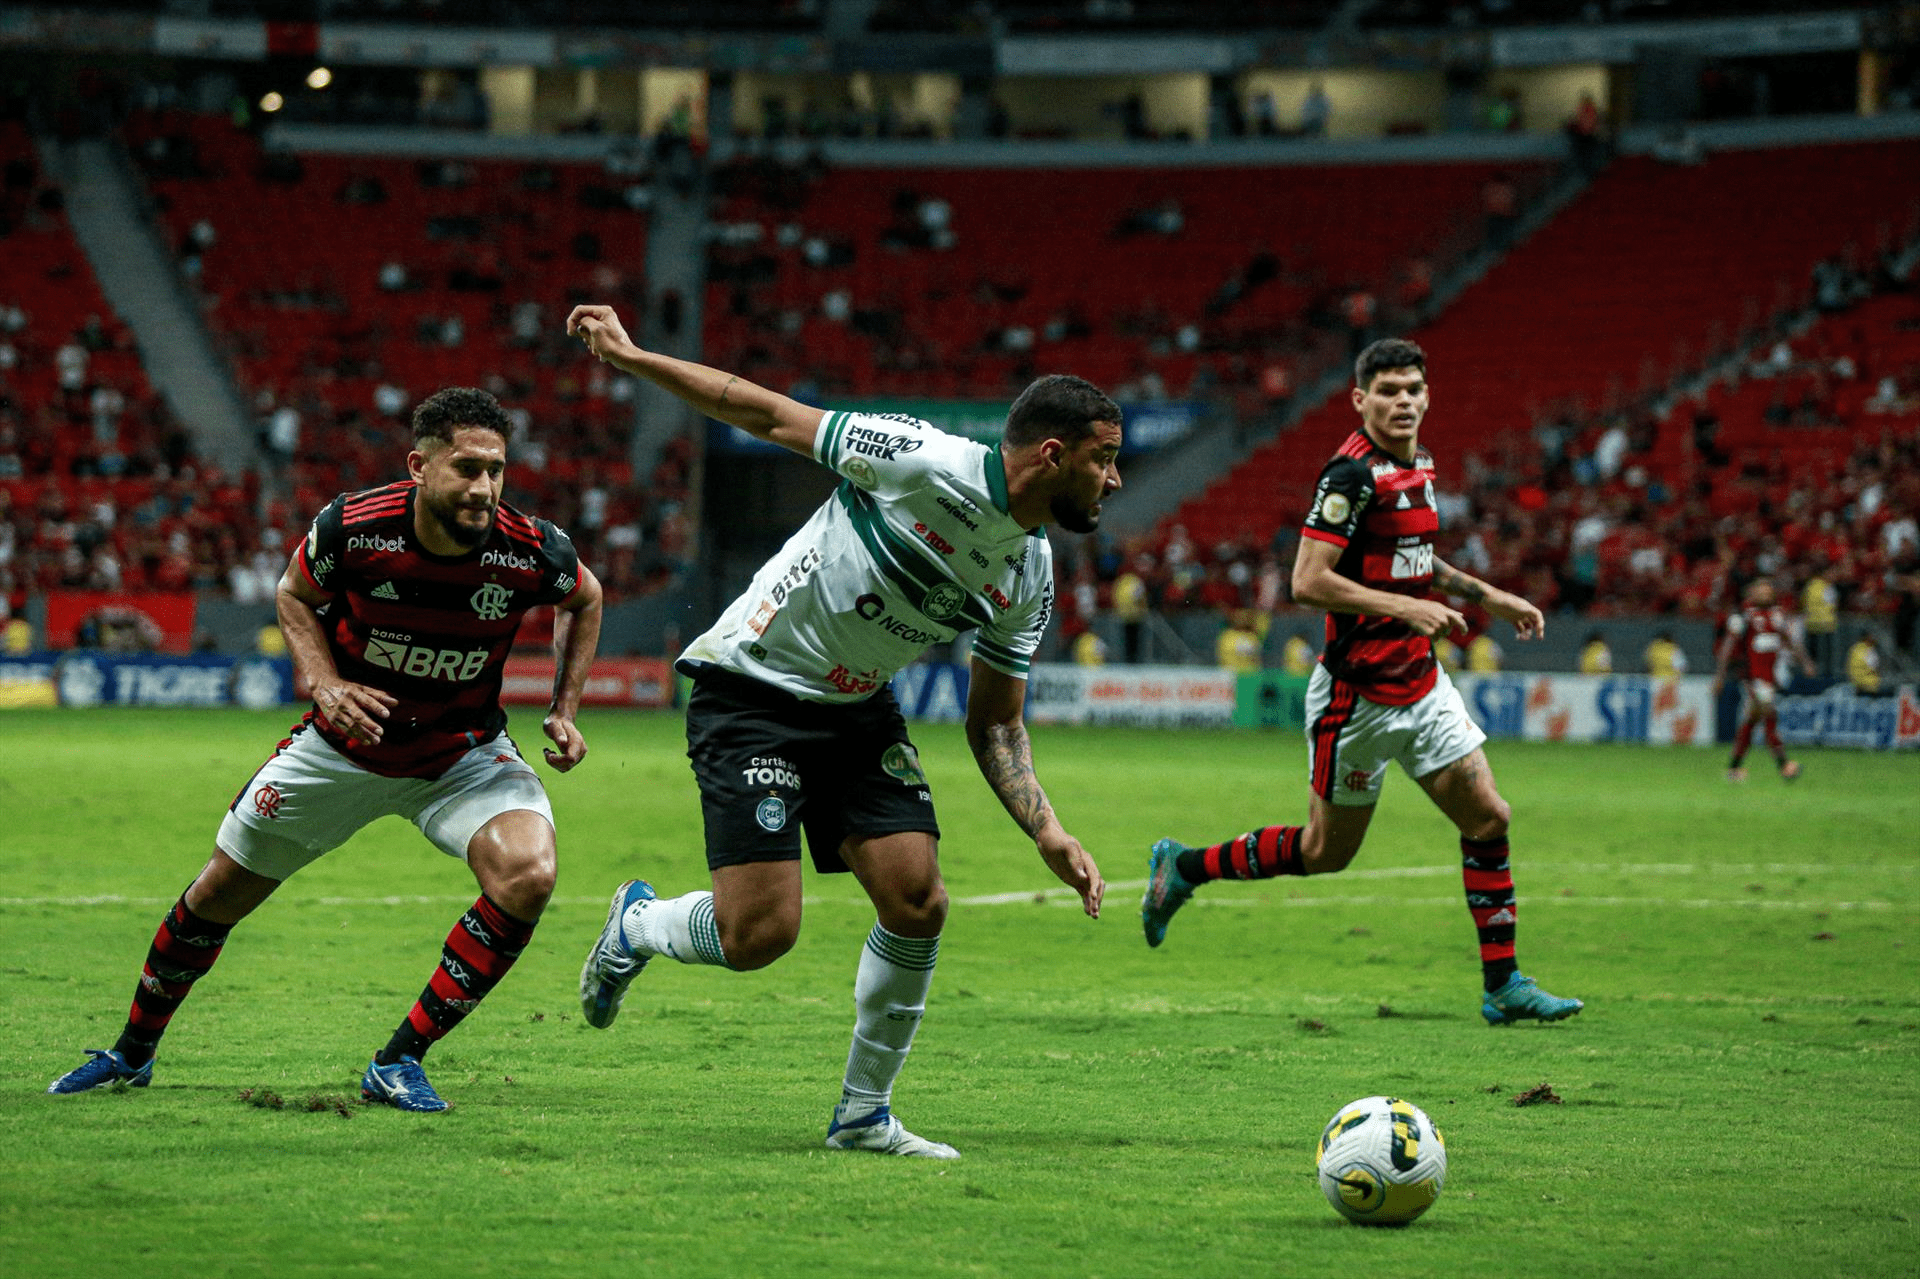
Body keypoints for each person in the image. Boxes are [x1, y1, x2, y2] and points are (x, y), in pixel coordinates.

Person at [566, 302, 1115, 1159]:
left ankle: (864, 1113)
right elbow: (765, 411)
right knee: (760, 936)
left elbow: (997, 722)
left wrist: (1046, 827)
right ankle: (637, 924)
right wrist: (635, 359)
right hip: (752, 688)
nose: (1112, 480)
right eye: (1103, 459)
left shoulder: (1030, 570)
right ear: (1053, 454)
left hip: (857, 709)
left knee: (919, 897)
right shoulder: (922, 458)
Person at [47, 388, 605, 1111]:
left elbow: (584, 598)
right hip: (342, 749)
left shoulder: (529, 547)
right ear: (419, 465)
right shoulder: (355, 528)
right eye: (467, 469)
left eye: (497, 470)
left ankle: (398, 1061)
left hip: (460, 755)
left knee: (529, 873)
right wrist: (326, 681)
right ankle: (132, 1051)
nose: (484, 488)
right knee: (216, 895)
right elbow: (293, 594)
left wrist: (565, 707)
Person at [1140, 338, 1582, 1027]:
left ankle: (1504, 985)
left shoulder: (1421, 464)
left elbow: (1414, 559)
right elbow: (1308, 581)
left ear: (1427, 396)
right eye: (1388, 391)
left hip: (1423, 683)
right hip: (1358, 698)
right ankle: (1185, 866)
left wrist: (1489, 595)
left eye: (1413, 389)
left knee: (1489, 816)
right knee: (1325, 853)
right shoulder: (1348, 476)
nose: (1403, 401)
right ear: (1360, 399)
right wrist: (1407, 608)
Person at [1713, 578, 1815, 783]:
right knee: (1770, 716)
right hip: (1752, 677)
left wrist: (1805, 662)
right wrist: (1720, 677)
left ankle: (1734, 769)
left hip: (1769, 678)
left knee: (1751, 722)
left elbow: (1790, 641)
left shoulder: (1777, 616)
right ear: (1751, 594)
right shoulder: (1743, 616)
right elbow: (1727, 648)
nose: (1765, 594)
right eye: (1761, 590)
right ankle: (1785, 766)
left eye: (1768, 590)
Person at [1846, 632, 1882, 696]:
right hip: (1870, 686)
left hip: (1856, 684)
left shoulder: (1854, 648)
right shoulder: (1869, 650)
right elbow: (1874, 665)